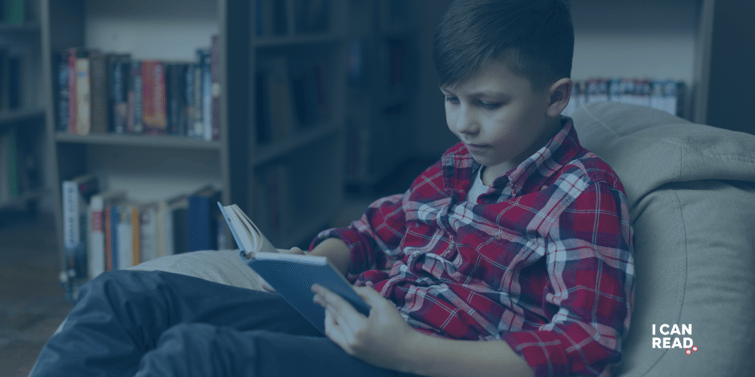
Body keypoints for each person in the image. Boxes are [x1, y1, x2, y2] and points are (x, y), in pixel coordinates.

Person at [31, 0, 634, 376]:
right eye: (451, 99)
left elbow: (587, 342)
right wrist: (317, 264)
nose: (462, 122)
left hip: (425, 359)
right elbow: (372, 231)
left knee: (195, 356)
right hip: (359, 318)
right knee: (123, 296)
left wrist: (406, 353)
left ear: (556, 96)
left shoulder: (584, 193)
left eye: (487, 104)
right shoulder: (454, 167)